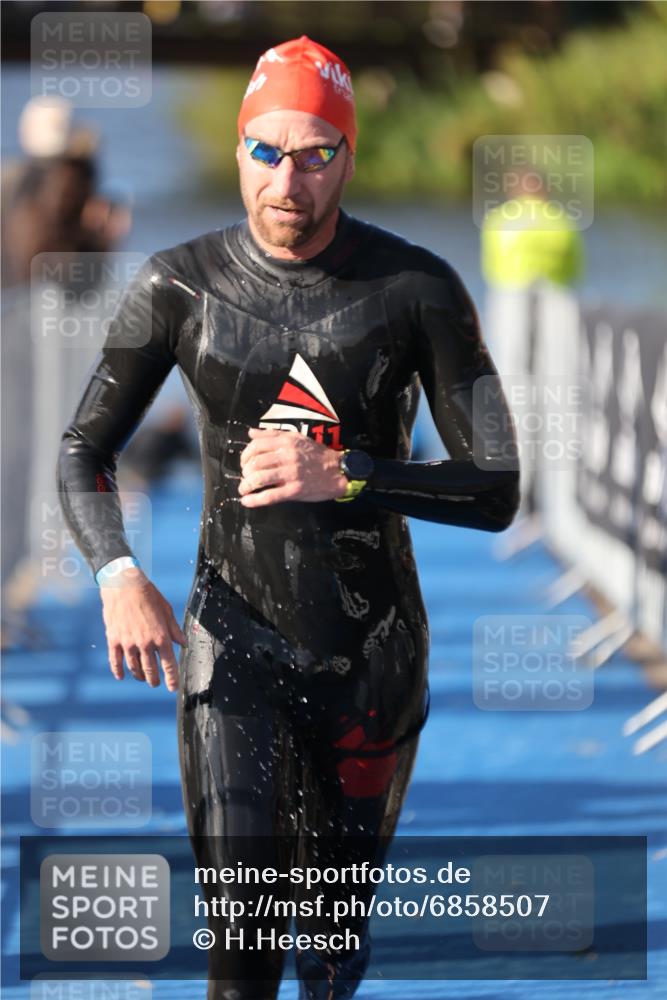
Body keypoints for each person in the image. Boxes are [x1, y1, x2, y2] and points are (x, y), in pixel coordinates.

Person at [57, 35, 520, 1000]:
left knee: (329, 959)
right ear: (237, 153)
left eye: (316, 155)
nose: (289, 182)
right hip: (232, 651)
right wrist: (117, 575)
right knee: (242, 952)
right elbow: (81, 453)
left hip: (371, 653)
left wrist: (344, 475)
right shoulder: (176, 285)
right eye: (268, 153)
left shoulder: (417, 289)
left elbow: (497, 488)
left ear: (348, 157)